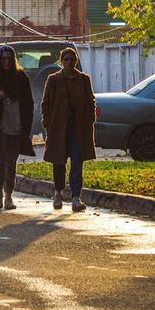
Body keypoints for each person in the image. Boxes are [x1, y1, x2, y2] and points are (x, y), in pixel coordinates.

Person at [40, 46, 97, 211]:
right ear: (61, 61)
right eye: (66, 59)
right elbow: (46, 102)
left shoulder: (84, 79)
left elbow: (90, 100)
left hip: (78, 127)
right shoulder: (54, 79)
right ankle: (58, 193)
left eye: (72, 59)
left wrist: (90, 118)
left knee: (77, 161)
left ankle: (75, 197)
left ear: (76, 61)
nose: (69, 62)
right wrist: (46, 120)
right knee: (59, 161)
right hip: (58, 126)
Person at [0, 45, 35, 210]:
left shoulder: (21, 77)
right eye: (3, 58)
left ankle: (9, 196)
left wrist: (28, 129)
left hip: (17, 125)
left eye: (9, 58)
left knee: (11, 162)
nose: (6, 61)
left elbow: (29, 104)